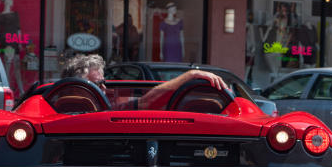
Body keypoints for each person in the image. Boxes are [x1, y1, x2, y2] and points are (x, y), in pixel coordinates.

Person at [61, 54, 227, 108]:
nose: (105, 88)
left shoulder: (108, 106)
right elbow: (145, 102)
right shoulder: (54, 111)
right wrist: (189, 75)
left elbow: (144, 102)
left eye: (104, 83)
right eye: (97, 85)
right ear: (77, 88)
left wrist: (191, 75)